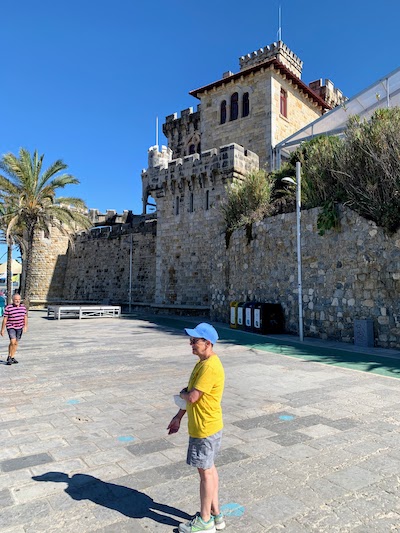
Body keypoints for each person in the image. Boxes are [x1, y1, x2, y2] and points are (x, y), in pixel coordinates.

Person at [167, 322, 225, 533]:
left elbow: (191, 396)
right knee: (209, 469)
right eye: (190, 340)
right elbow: (192, 396)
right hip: (207, 424)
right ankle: (216, 515)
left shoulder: (209, 367)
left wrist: (182, 394)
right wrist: (178, 417)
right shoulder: (202, 363)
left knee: (205, 474)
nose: (191, 344)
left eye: (195, 341)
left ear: (207, 343)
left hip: (205, 427)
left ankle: (205, 520)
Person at [1, 293, 28, 365]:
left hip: (19, 327)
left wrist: (25, 326)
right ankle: (9, 357)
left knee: (16, 343)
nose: (17, 301)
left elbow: (25, 317)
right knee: (12, 342)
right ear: (13, 300)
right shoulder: (8, 307)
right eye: (16, 299)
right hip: (11, 326)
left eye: (19, 299)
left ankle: (12, 357)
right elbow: (5, 319)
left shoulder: (23, 307)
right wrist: (2, 329)